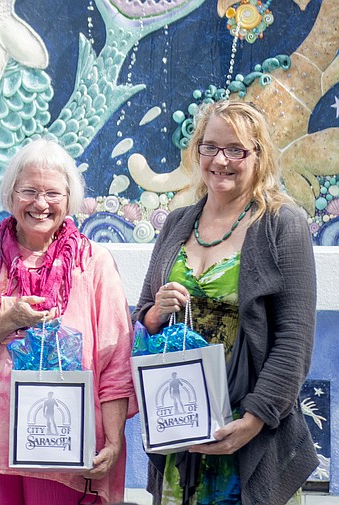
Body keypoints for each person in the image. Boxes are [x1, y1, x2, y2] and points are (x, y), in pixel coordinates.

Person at [0, 138, 137, 504]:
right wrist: (6, 321)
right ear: (10, 195)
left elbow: (115, 365)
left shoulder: (93, 262)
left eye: (53, 193)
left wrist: (114, 440)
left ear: (69, 199)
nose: (41, 204)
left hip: (66, 448)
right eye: (29, 191)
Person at [133, 100, 317, 505]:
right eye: (210, 146)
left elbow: (295, 338)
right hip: (181, 430)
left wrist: (254, 420)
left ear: (259, 155)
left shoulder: (282, 224)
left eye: (236, 149)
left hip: (251, 436)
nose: (221, 160)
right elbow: (142, 317)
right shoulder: (178, 223)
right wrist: (156, 312)